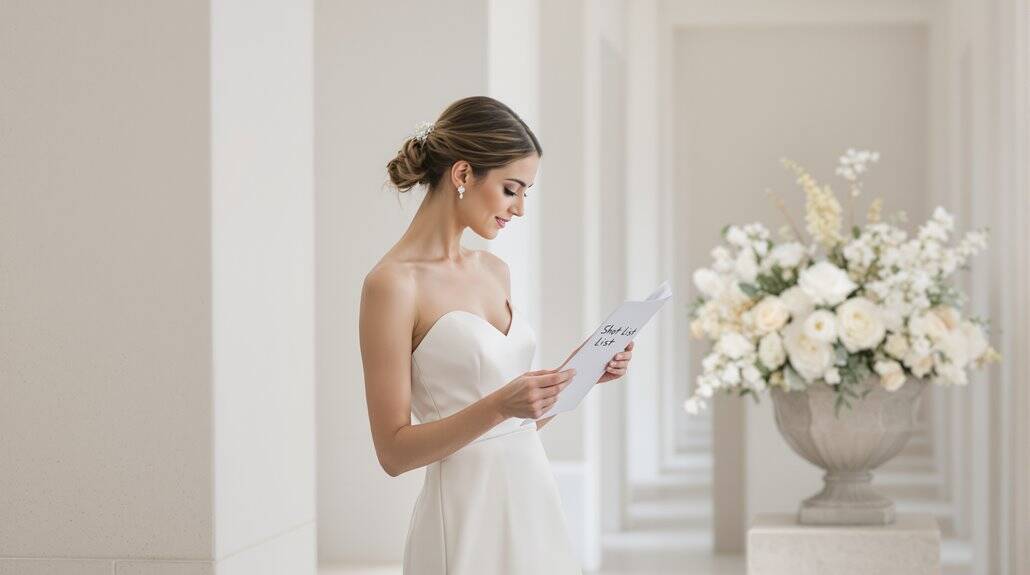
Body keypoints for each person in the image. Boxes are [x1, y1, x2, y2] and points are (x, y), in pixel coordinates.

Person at [359, 96, 634, 574]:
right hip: (464, 519)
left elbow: (512, 427)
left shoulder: (493, 270)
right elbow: (393, 452)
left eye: (527, 193)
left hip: (533, 503)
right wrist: (501, 405)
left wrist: (580, 374)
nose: (520, 209)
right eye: (512, 190)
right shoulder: (392, 285)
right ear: (463, 174)